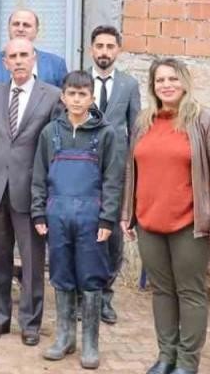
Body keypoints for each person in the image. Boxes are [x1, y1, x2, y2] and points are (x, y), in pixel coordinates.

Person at [121, 58, 210, 374]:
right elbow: (132, 171)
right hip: (148, 222)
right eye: (159, 80)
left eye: (172, 79)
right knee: (161, 290)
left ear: (184, 82)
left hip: (190, 224)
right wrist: (126, 215)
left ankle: (187, 361)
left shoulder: (205, 120)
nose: (166, 85)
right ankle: (166, 355)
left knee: (189, 291)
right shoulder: (144, 122)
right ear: (152, 86)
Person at [0, 37, 61, 346]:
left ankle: (31, 324)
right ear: (4, 62)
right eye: (13, 56)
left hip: (31, 192)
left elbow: (54, 151)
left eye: (24, 55)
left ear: (34, 58)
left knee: (33, 261)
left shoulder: (52, 96)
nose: (19, 60)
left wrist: (48, 192)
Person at [31, 71, 126, 369]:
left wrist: (107, 219)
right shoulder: (50, 133)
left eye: (82, 94)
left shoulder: (106, 133)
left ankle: (90, 344)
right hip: (57, 216)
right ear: (63, 96)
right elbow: (38, 177)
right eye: (71, 94)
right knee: (61, 276)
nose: (76, 99)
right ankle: (64, 337)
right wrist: (38, 211)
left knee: (91, 278)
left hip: (91, 218)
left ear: (91, 98)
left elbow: (113, 180)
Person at [87, 24, 142, 325]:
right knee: (84, 232)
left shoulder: (129, 85)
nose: (104, 52)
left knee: (112, 236)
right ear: (92, 48)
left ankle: (105, 297)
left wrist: (134, 172)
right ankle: (86, 296)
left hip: (116, 171)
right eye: (99, 46)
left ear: (118, 50)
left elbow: (136, 131)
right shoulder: (79, 80)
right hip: (83, 168)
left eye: (110, 46)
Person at [0, 9, 69, 89]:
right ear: (8, 28)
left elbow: (64, 103)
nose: (20, 29)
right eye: (16, 24)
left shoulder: (56, 65)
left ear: (36, 31)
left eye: (26, 25)